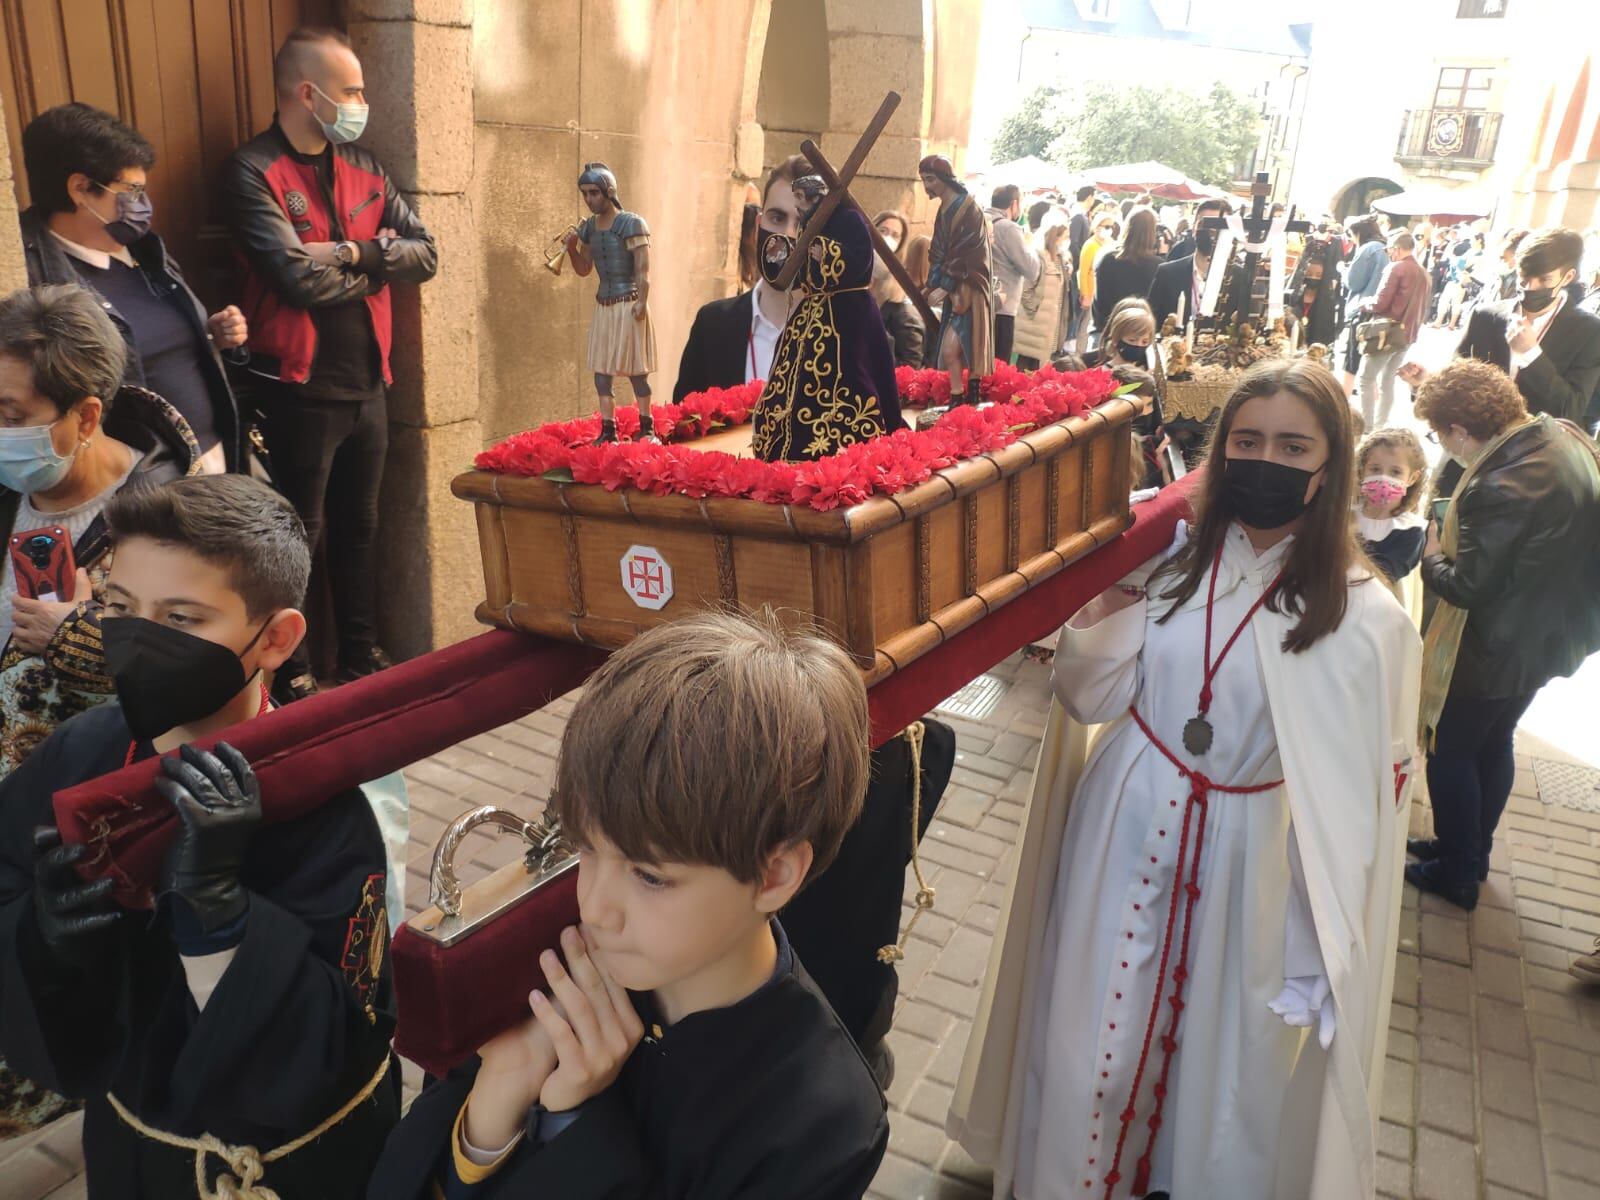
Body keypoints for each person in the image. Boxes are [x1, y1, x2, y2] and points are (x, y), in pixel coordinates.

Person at [949, 358, 1421, 1199]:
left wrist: (1322, 949)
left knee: (1217, 1081)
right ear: (1220, 452)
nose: (1265, 461)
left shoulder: (1366, 618)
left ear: (1328, 467)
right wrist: (1107, 596)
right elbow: (1086, 696)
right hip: (1122, 828)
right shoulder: (1170, 559)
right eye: (1246, 441)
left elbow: (1357, 812)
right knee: (1085, 1052)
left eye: (1290, 446)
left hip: (1250, 866)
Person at [369, 610, 889, 1199]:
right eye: (585, 849)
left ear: (773, 876)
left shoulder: (823, 1123)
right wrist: (500, 1094)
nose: (593, 906)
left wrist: (574, 1125)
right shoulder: (555, 967)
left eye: (649, 876)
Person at [0, 473, 399, 1196]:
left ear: (275, 638)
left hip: (283, 1168)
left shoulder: (330, 800)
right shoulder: (79, 754)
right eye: (118, 607)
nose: (135, 639)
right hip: (132, 1145)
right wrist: (45, 937)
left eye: (181, 620)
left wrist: (223, 919)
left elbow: (335, 1043)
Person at [224, 26, 437, 700]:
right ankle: (294, 669)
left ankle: (361, 651)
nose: (362, 101)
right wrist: (380, 262)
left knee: (361, 528)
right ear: (307, 93)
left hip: (368, 384)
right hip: (296, 390)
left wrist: (351, 255)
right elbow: (293, 280)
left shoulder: (367, 166)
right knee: (300, 538)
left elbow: (426, 253)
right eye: (352, 91)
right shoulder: (252, 171)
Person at [1407, 360, 1600, 911]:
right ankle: (1469, 850)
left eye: (1439, 434)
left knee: (1450, 752)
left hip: (1497, 643)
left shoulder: (1500, 483)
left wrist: (1431, 556)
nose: (1443, 445)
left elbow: (1467, 587)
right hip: (1547, 633)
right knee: (1493, 741)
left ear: (1460, 432)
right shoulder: (1556, 434)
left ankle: (1458, 871)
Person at [0, 285, 202, 778]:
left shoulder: (177, 525)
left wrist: (81, 640)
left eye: (10, 417)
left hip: (74, 812)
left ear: (87, 416)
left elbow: (204, 685)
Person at [17, 103, 244, 476]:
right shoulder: (42, 278)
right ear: (80, 189)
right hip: (146, 479)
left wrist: (213, 336)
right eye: (131, 191)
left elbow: (164, 348)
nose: (144, 205)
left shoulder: (143, 249)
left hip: (212, 457)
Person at [752, 176, 904, 461]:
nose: (797, 205)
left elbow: (860, 260)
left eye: (799, 198)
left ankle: (843, 447)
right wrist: (784, 255)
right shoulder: (810, 223)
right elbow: (802, 271)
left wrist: (828, 252)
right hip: (812, 310)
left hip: (846, 314)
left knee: (849, 373)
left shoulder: (850, 219)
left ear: (814, 197)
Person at [673, 155, 807, 400]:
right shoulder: (712, 325)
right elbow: (683, 427)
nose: (788, 234)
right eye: (777, 218)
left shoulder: (847, 335)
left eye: (802, 222)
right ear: (758, 226)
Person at [565, 163, 658, 445]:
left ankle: (647, 428)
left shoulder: (631, 223)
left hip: (629, 303)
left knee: (636, 373)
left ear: (609, 191)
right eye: (585, 194)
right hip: (604, 305)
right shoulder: (588, 228)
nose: (589, 199)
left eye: (594, 192)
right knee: (601, 376)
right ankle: (609, 431)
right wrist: (571, 249)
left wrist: (642, 301)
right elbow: (584, 269)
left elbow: (643, 270)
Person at [921, 155, 995, 408]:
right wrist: (933, 282)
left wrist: (945, 285)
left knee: (968, 343)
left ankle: (971, 391)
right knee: (952, 348)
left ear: (944, 179)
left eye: (930, 179)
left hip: (971, 286)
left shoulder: (968, 208)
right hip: (954, 290)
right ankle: (956, 396)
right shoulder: (944, 209)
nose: (926, 186)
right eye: (923, 180)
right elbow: (938, 248)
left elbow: (968, 251)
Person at [1354, 230, 1428, 429]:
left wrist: (1363, 303)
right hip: (1407, 334)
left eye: (1389, 250)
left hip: (1386, 333)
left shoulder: (1396, 268)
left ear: (1396, 249)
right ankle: (1380, 424)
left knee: (1366, 379)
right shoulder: (1423, 272)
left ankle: (1367, 427)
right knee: (1388, 380)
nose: (1389, 254)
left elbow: (1380, 303)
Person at [1354, 426, 1428, 589]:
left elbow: (1383, 577)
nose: (1383, 478)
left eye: (1395, 472)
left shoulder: (1410, 531)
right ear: (1362, 471)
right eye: (1375, 469)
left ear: (1412, 478)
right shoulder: (1345, 514)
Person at [1147, 197, 1231, 328]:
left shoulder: (1238, 278)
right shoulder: (1167, 273)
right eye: (1205, 224)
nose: (1211, 232)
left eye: (1218, 226)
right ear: (1194, 229)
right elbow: (1151, 322)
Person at [985, 184, 1042, 366]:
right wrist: (1030, 245)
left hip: (979, 304)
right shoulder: (1009, 228)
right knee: (997, 367)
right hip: (1002, 307)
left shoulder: (979, 220)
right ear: (1014, 204)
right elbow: (1031, 269)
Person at [1092, 207, 1161, 335]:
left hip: (1109, 330)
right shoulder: (1158, 266)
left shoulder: (1108, 260)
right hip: (1142, 335)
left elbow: (1099, 303)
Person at [870, 209, 924, 368]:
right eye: (882, 231)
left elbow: (910, 363)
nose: (887, 238)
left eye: (895, 235)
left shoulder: (899, 304)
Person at [1339, 219, 1388, 392]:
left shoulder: (1368, 249)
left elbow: (1354, 282)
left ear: (1359, 232)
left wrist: (1342, 270)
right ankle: (1370, 405)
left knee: (1352, 359)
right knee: (1372, 359)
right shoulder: (1387, 247)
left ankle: (1344, 398)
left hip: (1363, 309)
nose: (1351, 239)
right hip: (1383, 311)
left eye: (1351, 235)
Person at [1014, 224, 1071, 371]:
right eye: (1065, 237)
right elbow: (1025, 289)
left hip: (1049, 324)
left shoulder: (1059, 259)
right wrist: (1035, 311)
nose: (1068, 240)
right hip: (1035, 326)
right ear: (1055, 238)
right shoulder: (1039, 258)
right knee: (1027, 367)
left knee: (1038, 368)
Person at [1076, 209, 1118, 352]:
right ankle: (1080, 354)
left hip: (1101, 293)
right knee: (1085, 328)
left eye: (1111, 227)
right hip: (1090, 292)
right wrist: (1085, 293)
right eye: (1106, 226)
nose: (1109, 230)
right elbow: (1083, 271)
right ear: (1097, 226)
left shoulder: (1110, 244)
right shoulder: (1090, 245)